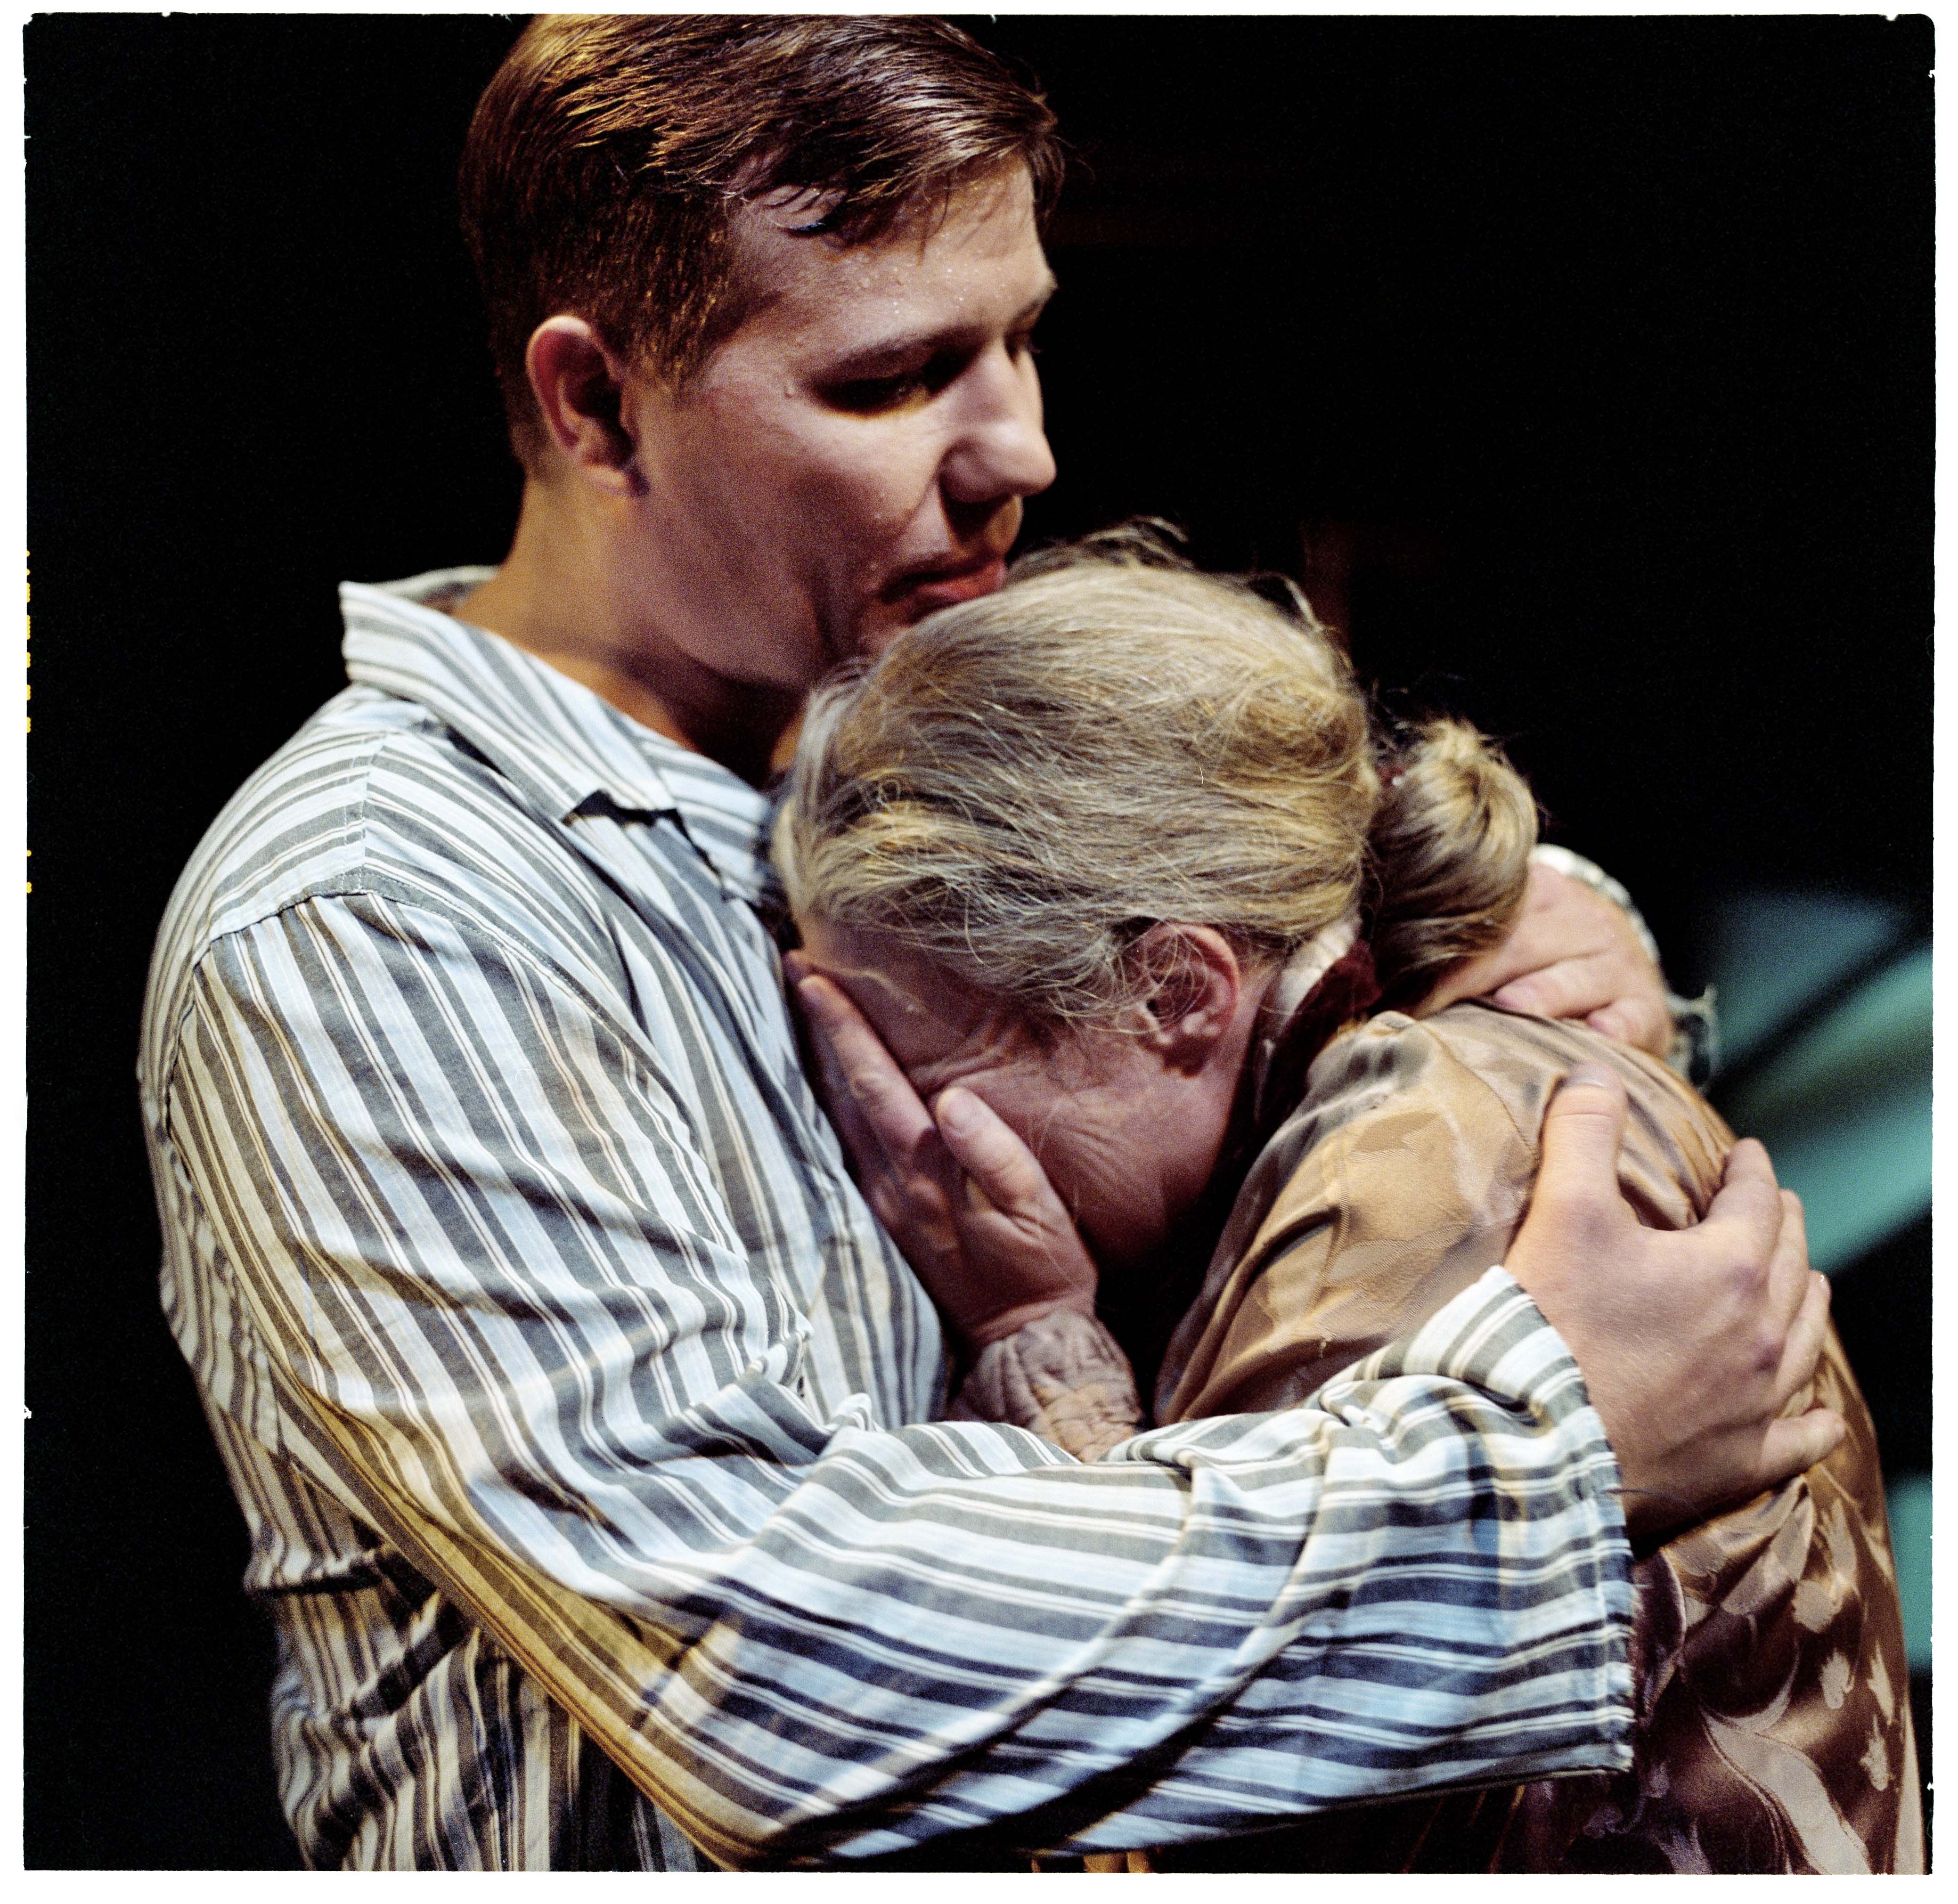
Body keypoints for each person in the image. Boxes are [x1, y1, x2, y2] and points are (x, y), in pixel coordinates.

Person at [138, 15, 1835, 1870]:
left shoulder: (895, 687)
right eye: (891, 380)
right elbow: (766, 1677)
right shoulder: (381, 908)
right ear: (595, 402)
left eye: (1019, 337)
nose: (1019, 446)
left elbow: (1259, 885)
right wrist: (1534, 1470)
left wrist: (1514, 931)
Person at [776, 533, 1917, 1873]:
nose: (912, 1160)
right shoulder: (1421, 1088)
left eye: (930, 1079)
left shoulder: (1392, 1188)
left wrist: (1043, 1349)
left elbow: (1172, 1819)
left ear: (1174, 991)